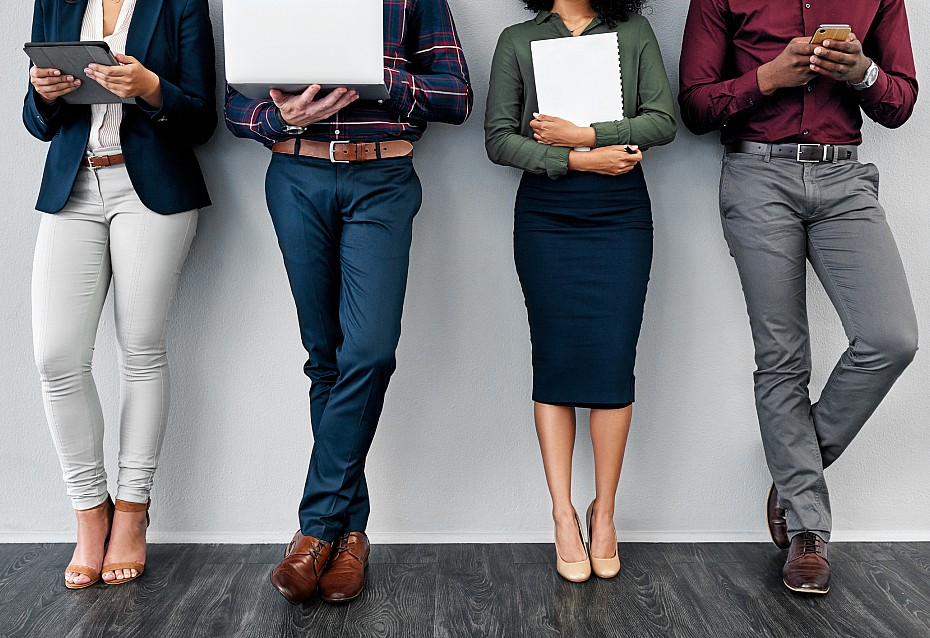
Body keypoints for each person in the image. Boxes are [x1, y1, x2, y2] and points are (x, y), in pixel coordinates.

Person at [225, 0, 472, 604]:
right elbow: (232, 105)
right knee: (326, 358)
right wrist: (277, 116)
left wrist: (382, 80)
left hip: (382, 180)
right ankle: (350, 536)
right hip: (295, 177)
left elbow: (457, 98)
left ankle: (313, 531)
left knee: (370, 351)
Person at [680, 0, 918, 594]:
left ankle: (795, 476)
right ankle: (809, 531)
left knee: (891, 339)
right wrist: (767, 78)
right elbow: (695, 105)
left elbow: (900, 103)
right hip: (756, 176)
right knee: (783, 357)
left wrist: (860, 72)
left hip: (845, 177)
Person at [24, 0, 216, 589]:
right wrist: (44, 92)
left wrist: (152, 88)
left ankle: (132, 510)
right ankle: (89, 514)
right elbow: (36, 122)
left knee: (140, 348)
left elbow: (204, 119)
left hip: (150, 191)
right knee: (55, 355)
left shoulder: (182, 2)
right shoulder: (54, 2)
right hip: (72, 188)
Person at [486, 0, 675, 582]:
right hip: (547, 217)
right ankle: (564, 513)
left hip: (620, 217)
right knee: (556, 360)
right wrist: (576, 157)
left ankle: (606, 511)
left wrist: (591, 132)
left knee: (614, 363)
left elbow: (661, 120)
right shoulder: (518, 39)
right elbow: (497, 139)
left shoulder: (633, 32)